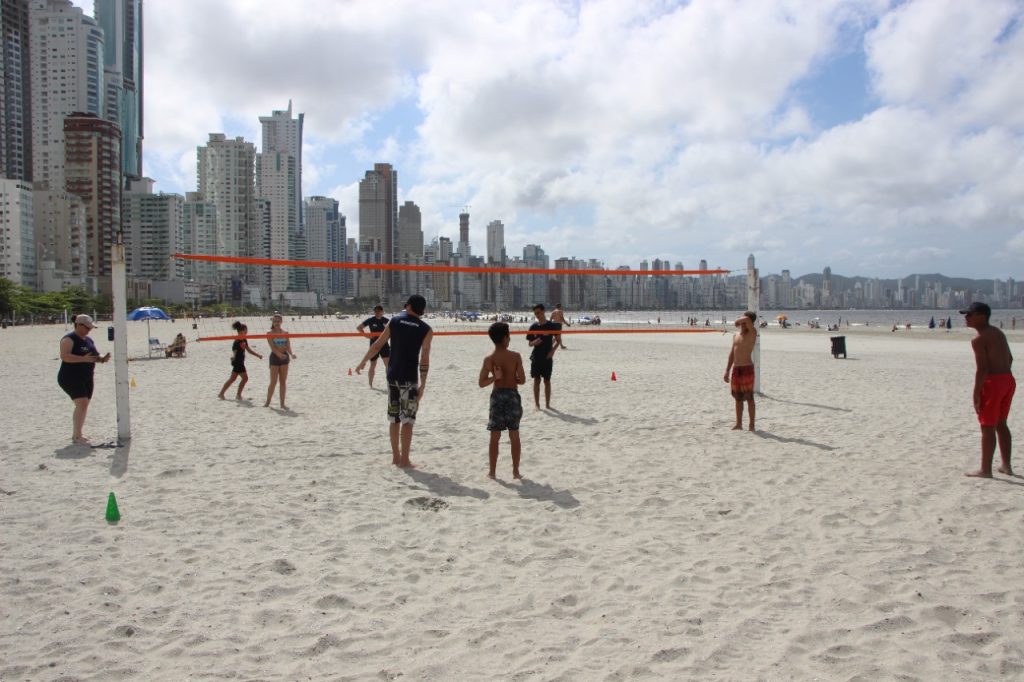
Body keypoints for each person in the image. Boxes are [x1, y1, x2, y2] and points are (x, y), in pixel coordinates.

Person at [356, 295, 433, 468]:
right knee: (408, 420)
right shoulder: (426, 329)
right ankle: (405, 459)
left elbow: (377, 345)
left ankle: (395, 457)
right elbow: (425, 357)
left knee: (394, 419)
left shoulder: (394, 321)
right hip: (409, 379)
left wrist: (362, 362)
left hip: (392, 376)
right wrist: (423, 384)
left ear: (410, 306)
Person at [961, 302, 1015, 478]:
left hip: (993, 382)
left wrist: (976, 393)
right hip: (1008, 379)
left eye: (970, 314)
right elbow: (1010, 358)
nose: (966, 317)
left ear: (982, 316)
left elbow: (982, 369)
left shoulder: (979, 339)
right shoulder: (998, 333)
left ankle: (985, 469)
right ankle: (1006, 465)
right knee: (1001, 423)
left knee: (987, 425)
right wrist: (1003, 374)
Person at [479, 322, 527, 479]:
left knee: (495, 436)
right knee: (514, 434)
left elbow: (481, 383)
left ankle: (492, 472)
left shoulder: (489, 359)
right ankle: (516, 472)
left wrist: (495, 377)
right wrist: (512, 377)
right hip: (512, 395)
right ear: (505, 338)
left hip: (497, 396)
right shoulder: (515, 356)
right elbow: (522, 381)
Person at [57, 314, 110, 444]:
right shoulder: (69, 339)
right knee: (82, 403)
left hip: (87, 376)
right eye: (87, 327)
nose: (89, 330)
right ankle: (77, 435)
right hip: (70, 377)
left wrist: (102, 358)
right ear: (79, 325)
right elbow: (65, 356)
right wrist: (82, 359)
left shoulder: (89, 340)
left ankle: (78, 433)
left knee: (84, 405)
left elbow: (94, 356)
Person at [724, 311, 757, 431]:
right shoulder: (736, 335)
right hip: (736, 369)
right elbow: (732, 354)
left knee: (749, 397)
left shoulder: (752, 333)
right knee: (737, 398)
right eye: (741, 322)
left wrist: (739, 320)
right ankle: (739, 424)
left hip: (747, 367)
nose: (742, 323)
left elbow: (747, 321)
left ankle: (752, 424)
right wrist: (727, 370)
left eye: (744, 321)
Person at [526, 303, 560, 409]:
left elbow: (558, 341)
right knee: (537, 381)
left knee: (547, 381)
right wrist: (534, 342)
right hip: (536, 357)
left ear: (544, 311)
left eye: (539, 313)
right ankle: (537, 404)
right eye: (535, 313)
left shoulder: (551, 326)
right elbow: (529, 344)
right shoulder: (533, 327)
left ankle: (547, 404)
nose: (537, 315)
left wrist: (552, 351)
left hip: (547, 357)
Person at [219, 321, 262, 400]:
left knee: (232, 379)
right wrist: (233, 357)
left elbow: (248, 350)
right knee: (245, 378)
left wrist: (258, 355)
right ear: (240, 331)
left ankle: (222, 393)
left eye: (246, 331)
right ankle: (237, 395)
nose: (246, 332)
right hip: (238, 363)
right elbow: (234, 352)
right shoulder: (237, 341)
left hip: (240, 362)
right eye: (245, 331)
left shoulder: (244, 340)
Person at [265, 313, 296, 409]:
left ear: (281, 322)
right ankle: (267, 402)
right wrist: (280, 355)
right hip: (275, 357)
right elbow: (272, 348)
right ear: (272, 322)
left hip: (284, 358)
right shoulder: (269, 333)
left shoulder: (285, 333)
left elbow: (288, 346)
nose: (276, 323)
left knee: (283, 381)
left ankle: (282, 404)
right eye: (274, 321)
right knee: (273, 382)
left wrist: (291, 354)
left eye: (278, 321)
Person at [356, 305, 390, 387]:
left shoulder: (387, 321)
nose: (377, 313)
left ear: (382, 312)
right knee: (373, 365)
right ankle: (370, 384)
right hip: (373, 345)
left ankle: (389, 384)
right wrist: (366, 335)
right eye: (376, 311)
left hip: (384, 344)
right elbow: (359, 327)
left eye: (379, 311)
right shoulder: (371, 320)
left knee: (388, 365)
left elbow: (393, 330)